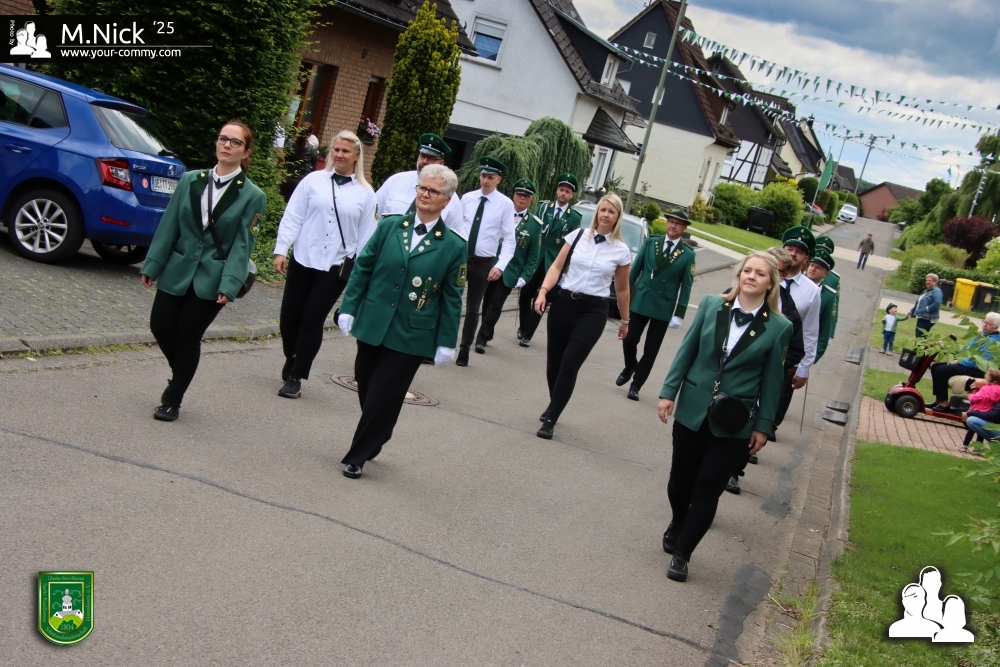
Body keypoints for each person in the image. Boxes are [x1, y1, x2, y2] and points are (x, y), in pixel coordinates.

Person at [658, 251, 792, 582]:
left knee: (708, 485)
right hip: (693, 406)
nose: (751, 276)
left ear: (771, 283)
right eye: (747, 270)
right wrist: (668, 391)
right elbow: (687, 350)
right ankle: (678, 521)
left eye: (760, 273)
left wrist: (763, 425)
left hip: (735, 420)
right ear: (739, 274)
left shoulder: (779, 327)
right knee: (680, 479)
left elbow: (772, 381)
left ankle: (683, 554)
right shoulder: (710, 305)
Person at [336, 164, 467, 479]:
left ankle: (357, 456)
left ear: (447, 200)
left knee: (385, 392)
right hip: (374, 320)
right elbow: (364, 267)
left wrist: (447, 341)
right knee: (366, 382)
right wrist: (349, 306)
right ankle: (380, 428)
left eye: (433, 191)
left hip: (412, 333)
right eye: (422, 188)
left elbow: (452, 298)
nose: (425, 194)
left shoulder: (454, 246)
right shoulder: (390, 226)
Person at [140, 120, 266, 421]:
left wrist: (230, 283)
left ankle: (173, 398)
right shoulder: (190, 180)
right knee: (160, 326)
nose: (227, 145)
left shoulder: (253, 195)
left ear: (246, 152)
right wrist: (153, 264)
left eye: (235, 142)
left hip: (213, 276)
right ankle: (182, 372)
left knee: (187, 335)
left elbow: (242, 245)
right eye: (223, 139)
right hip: (178, 268)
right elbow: (169, 225)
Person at [272, 130, 378, 399]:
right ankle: (292, 355)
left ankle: (297, 376)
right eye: (336, 150)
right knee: (289, 317)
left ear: (357, 156)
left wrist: (360, 272)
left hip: (335, 266)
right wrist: (281, 249)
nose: (339, 155)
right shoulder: (313, 181)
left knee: (312, 318)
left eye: (345, 151)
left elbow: (366, 237)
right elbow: (293, 215)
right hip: (304, 258)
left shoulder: (366, 194)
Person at [534, 193, 632, 440]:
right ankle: (554, 403)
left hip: (593, 310)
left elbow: (622, 289)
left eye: (611, 212)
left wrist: (625, 320)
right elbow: (557, 266)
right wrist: (543, 291)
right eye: (603, 210)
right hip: (564, 303)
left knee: (569, 364)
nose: (605, 215)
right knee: (553, 363)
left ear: (617, 217)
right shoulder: (577, 236)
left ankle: (551, 419)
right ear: (597, 212)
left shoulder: (621, 250)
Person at [726, 246, 803, 495]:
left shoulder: (788, 311)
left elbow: (796, 348)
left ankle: (734, 471)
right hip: (725, 379)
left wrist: (770, 364)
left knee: (744, 428)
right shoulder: (733, 297)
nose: (754, 277)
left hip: (757, 385)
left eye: (771, 271)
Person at [616, 206, 695, 401]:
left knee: (651, 349)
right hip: (642, 300)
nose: (673, 226)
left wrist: (679, 313)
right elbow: (634, 271)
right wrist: (625, 295)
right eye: (671, 221)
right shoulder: (651, 243)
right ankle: (630, 365)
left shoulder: (687, 254)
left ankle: (636, 385)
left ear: (684, 227)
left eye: (678, 223)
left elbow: (686, 286)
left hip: (663, 307)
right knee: (629, 339)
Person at [456, 156, 516, 367]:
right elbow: (456, 227)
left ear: (499, 179)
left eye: (490, 177)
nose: (485, 180)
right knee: (450, 301)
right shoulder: (467, 198)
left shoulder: (505, 204)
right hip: (461, 259)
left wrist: (500, 266)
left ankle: (464, 349)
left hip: (483, 263)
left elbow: (509, 239)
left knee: (473, 308)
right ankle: (438, 345)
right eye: (483, 176)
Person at [474, 178, 542, 352]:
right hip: (491, 264)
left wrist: (525, 276)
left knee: (496, 304)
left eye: (526, 196)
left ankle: (481, 338)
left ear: (531, 199)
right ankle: (487, 331)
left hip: (510, 271)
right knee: (487, 301)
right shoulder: (500, 212)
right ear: (513, 195)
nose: (522, 198)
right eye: (519, 194)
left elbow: (533, 256)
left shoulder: (534, 225)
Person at [518, 173, 583, 347]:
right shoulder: (543, 208)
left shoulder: (574, 217)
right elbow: (533, 230)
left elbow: (572, 245)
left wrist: (565, 269)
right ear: (557, 190)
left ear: (572, 195)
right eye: (561, 190)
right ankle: (524, 326)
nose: (563, 193)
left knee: (542, 297)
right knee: (525, 294)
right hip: (536, 259)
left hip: (553, 264)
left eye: (567, 191)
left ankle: (527, 335)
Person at [770, 225, 821, 441]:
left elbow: (810, 332)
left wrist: (804, 367)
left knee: (775, 400)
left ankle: (766, 430)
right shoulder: (766, 277)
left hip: (785, 356)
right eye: (789, 249)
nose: (793, 254)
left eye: (799, 252)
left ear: (806, 259)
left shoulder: (812, 291)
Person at [374, 133, 465, 234]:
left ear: (441, 163)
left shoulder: (449, 197)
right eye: (422, 156)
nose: (425, 161)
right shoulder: (396, 181)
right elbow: (374, 214)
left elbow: (453, 235)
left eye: (431, 158)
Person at [927, 312, 1000, 411]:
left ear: (995, 328)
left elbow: (983, 363)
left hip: (980, 370)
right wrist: (947, 346)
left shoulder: (994, 342)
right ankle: (939, 400)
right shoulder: (981, 336)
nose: (984, 325)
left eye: (988, 323)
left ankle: (944, 404)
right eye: (984, 322)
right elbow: (965, 351)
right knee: (935, 366)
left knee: (941, 370)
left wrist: (960, 361)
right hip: (970, 365)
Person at [806, 249, 837, 362]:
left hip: (806, 349)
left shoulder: (828, 296)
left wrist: (815, 355)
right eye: (812, 265)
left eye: (818, 268)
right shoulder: (795, 284)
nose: (813, 269)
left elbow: (826, 327)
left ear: (826, 273)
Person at [960, 368, 1000, 451]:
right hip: (988, 411)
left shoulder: (986, 388)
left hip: (978, 410)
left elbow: (976, 398)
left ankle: (964, 445)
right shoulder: (998, 390)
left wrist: (971, 394)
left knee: (972, 427)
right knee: (980, 431)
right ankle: (977, 449)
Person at [815, 235, 840, 339]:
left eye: (825, 252)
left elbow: (834, 306)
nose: (821, 253)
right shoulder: (804, 269)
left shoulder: (834, 279)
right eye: (818, 250)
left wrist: (830, 332)